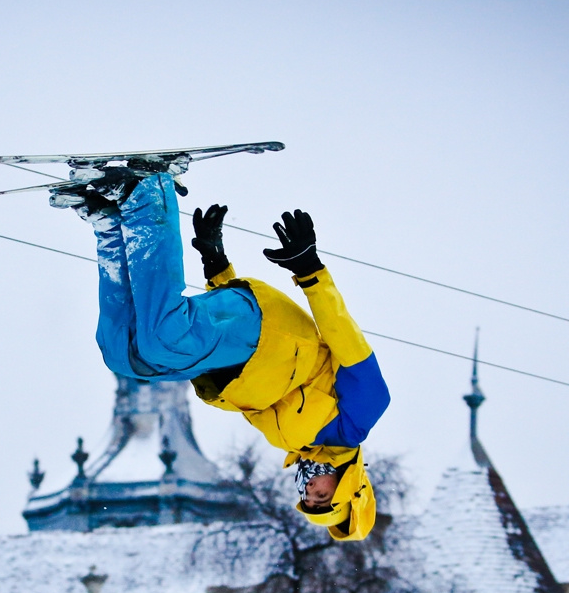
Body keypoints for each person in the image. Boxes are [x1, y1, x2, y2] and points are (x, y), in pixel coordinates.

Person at [58, 169, 389, 540]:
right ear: (348, 486)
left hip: (236, 360)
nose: (309, 490)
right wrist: (310, 271)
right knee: (164, 339)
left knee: (126, 356)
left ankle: (109, 222)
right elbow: (344, 336)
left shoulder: (289, 441)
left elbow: (235, 358)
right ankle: (147, 193)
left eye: (307, 498)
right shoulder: (362, 413)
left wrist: (216, 264)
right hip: (271, 331)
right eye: (322, 496)